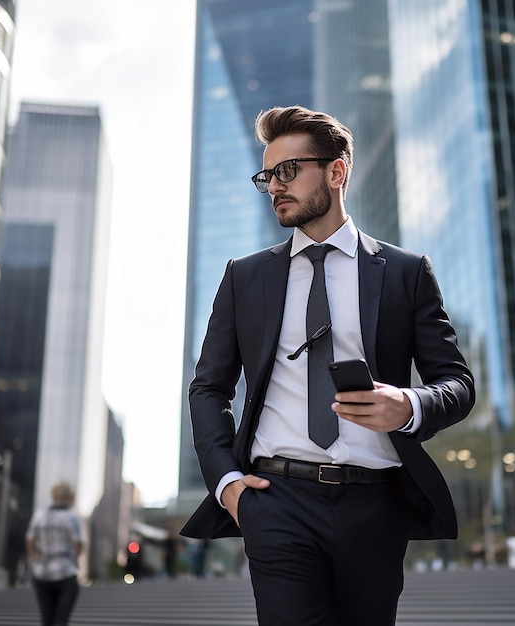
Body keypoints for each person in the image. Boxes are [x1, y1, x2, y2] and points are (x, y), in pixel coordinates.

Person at [180, 105, 476, 626]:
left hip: (377, 502)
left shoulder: (406, 273)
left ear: (336, 172)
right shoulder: (244, 278)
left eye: (288, 171)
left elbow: (457, 384)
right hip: (275, 499)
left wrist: (407, 405)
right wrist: (228, 484)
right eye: (267, 176)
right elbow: (208, 388)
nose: (274, 186)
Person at [26, 482, 83, 626]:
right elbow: (78, 543)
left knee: (46, 620)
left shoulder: (39, 515)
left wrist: (35, 559)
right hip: (65, 574)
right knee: (60, 621)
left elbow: (29, 540)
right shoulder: (71, 517)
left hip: (42, 575)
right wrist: (74, 558)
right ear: (70, 498)